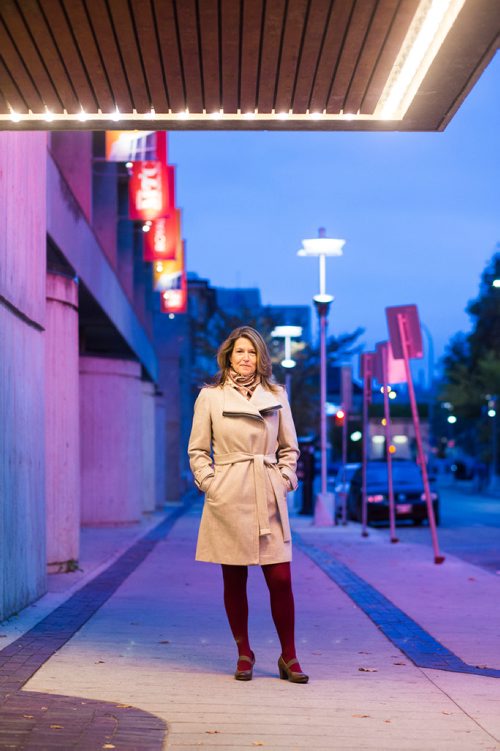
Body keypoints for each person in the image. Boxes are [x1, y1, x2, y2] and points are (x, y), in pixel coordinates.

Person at [188, 326, 308, 683]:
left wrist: (284, 479)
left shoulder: (276, 394)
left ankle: (289, 656)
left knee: (281, 579)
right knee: (234, 579)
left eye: (252, 352)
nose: (245, 358)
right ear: (228, 356)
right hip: (229, 493)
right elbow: (197, 450)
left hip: (266, 489)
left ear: (260, 358)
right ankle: (244, 652)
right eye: (239, 351)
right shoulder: (211, 397)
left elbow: (290, 448)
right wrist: (212, 484)